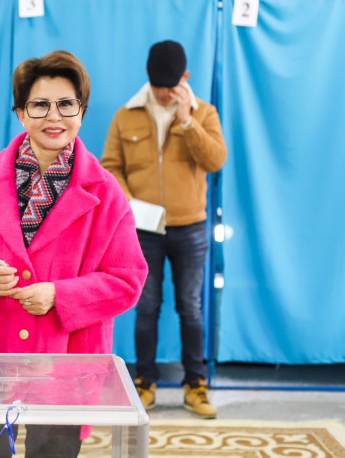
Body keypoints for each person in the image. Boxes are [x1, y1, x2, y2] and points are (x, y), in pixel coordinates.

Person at [0, 50, 148, 457]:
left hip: (66, 368)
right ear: (20, 113)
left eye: (66, 104)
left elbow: (128, 279)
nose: (54, 116)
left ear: (82, 112)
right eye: (39, 105)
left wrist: (60, 295)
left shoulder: (106, 193)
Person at [100, 40, 227, 418]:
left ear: (185, 78)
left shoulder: (204, 113)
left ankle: (195, 385)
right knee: (146, 306)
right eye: (158, 86)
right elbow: (110, 167)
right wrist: (129, 203)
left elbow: (215, 160)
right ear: (148, 77)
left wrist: (188, 122)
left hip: (191, 228)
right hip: (143, 230)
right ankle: (145, 382)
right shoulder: (126, 116)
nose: (164, 93)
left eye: (171, 86)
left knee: (190, 307)